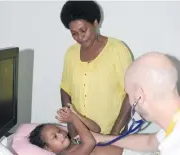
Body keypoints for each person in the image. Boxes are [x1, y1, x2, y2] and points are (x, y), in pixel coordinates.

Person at [60, 0, 133, 138]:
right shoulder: (71, 53)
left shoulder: (117, 50)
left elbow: (131, 94)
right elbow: (65, 90)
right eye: (74, 33)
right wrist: (72, 131)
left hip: (111, 134)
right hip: (81, 135)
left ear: (95, 23)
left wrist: (113, 135)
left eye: (83, 30)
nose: (80, 37)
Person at [91, 52, 180, 155]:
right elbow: (150, 142)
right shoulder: (173, 124)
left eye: (128, 94)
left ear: (140, 97)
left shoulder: (174, 148)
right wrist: (102, 138)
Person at [29, 105, 123, 155]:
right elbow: (90, 142)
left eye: (59, 131)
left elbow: (96, 129)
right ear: (48, 148)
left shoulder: (75, 140)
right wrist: (74, 119)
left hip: (127, 148)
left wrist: (78, 115)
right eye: (55, 137)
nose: (61, 135)